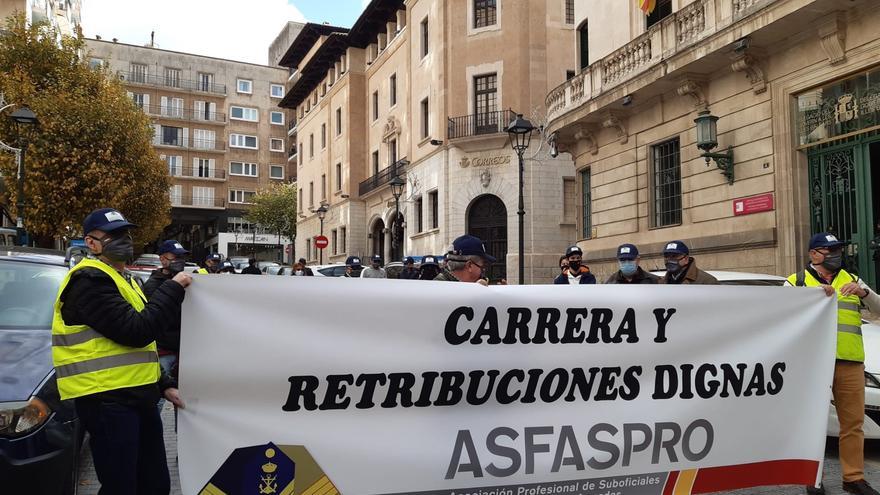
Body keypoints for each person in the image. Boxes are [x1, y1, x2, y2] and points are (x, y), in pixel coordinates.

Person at [52, 208, 190, 494]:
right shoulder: (89, 281)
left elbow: (141, 348)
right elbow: (137, 332)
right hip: (107, 402)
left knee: (154, 484)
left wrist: (164, 385)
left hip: (137, 397)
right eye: (113, 235)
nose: (124, 240)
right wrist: (172, 289)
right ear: (91, 243)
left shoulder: (124, 279)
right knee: (122, 486)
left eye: (125, 233)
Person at [789, 233, 880, 495]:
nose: (836, 254)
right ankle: (813, 477)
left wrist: (864, 292)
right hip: (814, 364)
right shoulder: (796, 282)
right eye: (830, 250)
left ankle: (853, 478)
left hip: (851, 363)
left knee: (853, 424)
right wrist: (811, 298)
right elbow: (781, 315)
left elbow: (878, 308)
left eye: (838, 249)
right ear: (814, 254)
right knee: (813, 423)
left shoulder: (851, 279)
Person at [141, 240, 190, 384]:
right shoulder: (153, 285)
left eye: (182, 258)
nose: (180, 261)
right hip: (165, 350)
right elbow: (156, 316)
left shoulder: (187, 280)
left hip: (184, 349)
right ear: (162, 259)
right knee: (162, 389)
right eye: (175, 257)